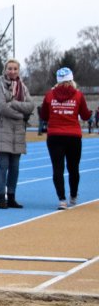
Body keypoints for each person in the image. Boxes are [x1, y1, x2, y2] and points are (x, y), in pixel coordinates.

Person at [40, 68, 92, 210]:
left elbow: (44, 116)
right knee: (73, 168)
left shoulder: (49, 95)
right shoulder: (78, 95)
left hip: (55, 136)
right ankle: (73, 196)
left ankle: (62, 200)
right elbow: (86, 115)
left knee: (57, 168)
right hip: (73, 136)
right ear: (71, 79)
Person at [0, 58, 35, 209]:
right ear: (5, 70)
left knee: (15, 167)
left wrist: (14, 104)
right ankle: (1, 198)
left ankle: (12, 197)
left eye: (15, 69)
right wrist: (20, 115)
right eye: (10, 68)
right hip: (2, 130)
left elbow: (30, 105)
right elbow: (1, 107)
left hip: (18, 132)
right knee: (3, 165)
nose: (12, 71)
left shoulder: (23, 87)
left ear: (18, 70)